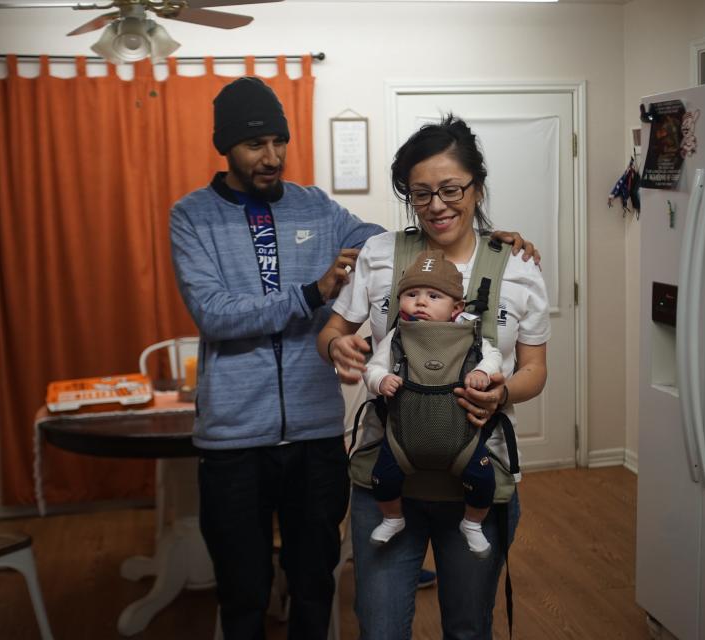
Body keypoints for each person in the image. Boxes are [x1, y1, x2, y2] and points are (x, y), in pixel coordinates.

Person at [170, 79, 537, 639]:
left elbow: (396, 242)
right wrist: (316, 298)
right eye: (254, 145)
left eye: (278, 141)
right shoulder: (192, 216)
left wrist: (492, 238)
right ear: (224, 147)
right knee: (244, 591)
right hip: (235, 434)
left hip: (318, 435)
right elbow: (216, 314)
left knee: (316, 583)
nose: (270, 157)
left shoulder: (315, 206)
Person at [317, 114, 550, 639]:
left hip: (479, 479)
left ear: (477, 186)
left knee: (468, 627)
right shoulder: (379, 255)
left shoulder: (517, 266)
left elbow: (535, 370)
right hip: (385, 477)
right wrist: (339, 345)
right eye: (420, 194)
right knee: (379, 628)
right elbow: (333, 329)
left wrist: (502, 393)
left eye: (450, 189)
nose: (437, 206)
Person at [363, 250, 502, 558]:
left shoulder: (469, 334)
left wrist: (482, 371)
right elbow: (372, 367)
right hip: (402, 439)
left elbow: (494, 357)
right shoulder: (397, 337)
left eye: (433, 296)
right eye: (411, 294)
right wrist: (380, 381)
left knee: (482, 481)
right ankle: (392, 517)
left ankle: (472, 524)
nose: (421, 302)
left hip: (462, 440)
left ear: (457, 307)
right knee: (383, 479)